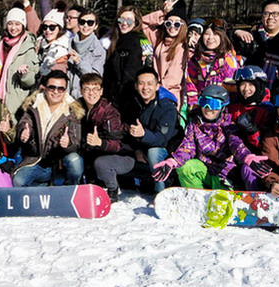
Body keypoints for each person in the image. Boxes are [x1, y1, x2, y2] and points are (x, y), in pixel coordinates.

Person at [152, 85, 270, 190]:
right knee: (186, 167)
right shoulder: (195, 125)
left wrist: (247, 157)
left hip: (223, 175)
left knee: (221, 201)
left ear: (222, 107)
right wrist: (173, 161)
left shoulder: (228, 126)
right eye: (204, 102)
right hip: (204, 171)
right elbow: (187, 147)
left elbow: (237, 144)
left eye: (214, 104)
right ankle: (197, 198)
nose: (208, 108)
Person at [13, 70, 84, 187]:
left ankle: (70, 189)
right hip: (36, 161)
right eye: (52, 87)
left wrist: (68, 144)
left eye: (61, 88)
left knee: (75, 161)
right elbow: (25, 123)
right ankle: (44, 185)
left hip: (59, 164)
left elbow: (75, 142)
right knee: (18, 181)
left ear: (65, 90)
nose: (56, 92)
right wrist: (25, 132)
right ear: (45, 88)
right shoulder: (34, 105)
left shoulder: (72, 112)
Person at [121, 67, 180, 193]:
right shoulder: (133, 103)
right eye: (141, 83)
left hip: (168, 149)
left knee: (153, 153)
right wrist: (137, 149)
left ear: (157, 86)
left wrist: (143, 135)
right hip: (144, 146)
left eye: (150, 84)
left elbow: (162, 139)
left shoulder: (166, 106)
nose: (145, 87)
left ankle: (161, 190)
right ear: (136, 86)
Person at [231, 0, 279, 89]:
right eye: (266, 13)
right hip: (255, 91)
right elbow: (221, 42)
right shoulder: (251, 38)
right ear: (262, 17)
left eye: (276, 14)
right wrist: (235, 32)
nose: (271, 17)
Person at [78, 73, 132, 201]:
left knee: (101, 163)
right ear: (81, 91)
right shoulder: (78, 107)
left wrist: (100, 142)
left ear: (101, 91)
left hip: (122, 156)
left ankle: (113, 189)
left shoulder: (109, 112)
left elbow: (118, 144)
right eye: (87, 89)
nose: (91, 93)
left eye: (95, 89)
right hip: (94, 152)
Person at [141, 0, 189, 106]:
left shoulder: (182, 47)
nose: (172, 27)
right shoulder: (159, 40)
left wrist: (157, 90)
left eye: (177, 24)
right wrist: (163, 13)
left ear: (183, 26)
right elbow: (141, 22)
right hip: (154, 92)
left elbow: (173, 79)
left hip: (170, 96)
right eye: (168, 23)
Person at [0, 7, 40, 120]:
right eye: (10, 24)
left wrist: (24, 75)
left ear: (23, 25)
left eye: (17, 24)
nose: (13, 28)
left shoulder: (28, 47)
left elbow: (31, 81)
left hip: (15, 103)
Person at [103, 6, 148, 120]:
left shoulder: (132, 42)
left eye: (129, 20)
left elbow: (130, 74)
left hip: (124, 100)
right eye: (121, 20)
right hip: (113, 97)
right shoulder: (115, 40)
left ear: (135, 23)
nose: (124, 23)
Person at [185, 18, 239, 108]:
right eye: (207, 34)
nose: (210, 38)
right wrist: (193, 106)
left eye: (215, 34)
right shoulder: (195, 59)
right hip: (202, 105)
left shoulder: (228, 60)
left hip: (222, 106)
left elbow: (232, 88)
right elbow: (191, 85)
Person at [67, 9, 106, 98]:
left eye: (90, 23)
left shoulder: (99, 50)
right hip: (65, 95)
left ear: (95, 26)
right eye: (82, 22)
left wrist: (79, 62)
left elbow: (95, 78)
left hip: (84, 97)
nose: (85, 26)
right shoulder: (68, 43)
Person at [37, 9, 71, 80]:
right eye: (45, 27)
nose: (48, 30)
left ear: (60, 28)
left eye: (52, 27)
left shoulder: (61, 50)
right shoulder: (40, 44)